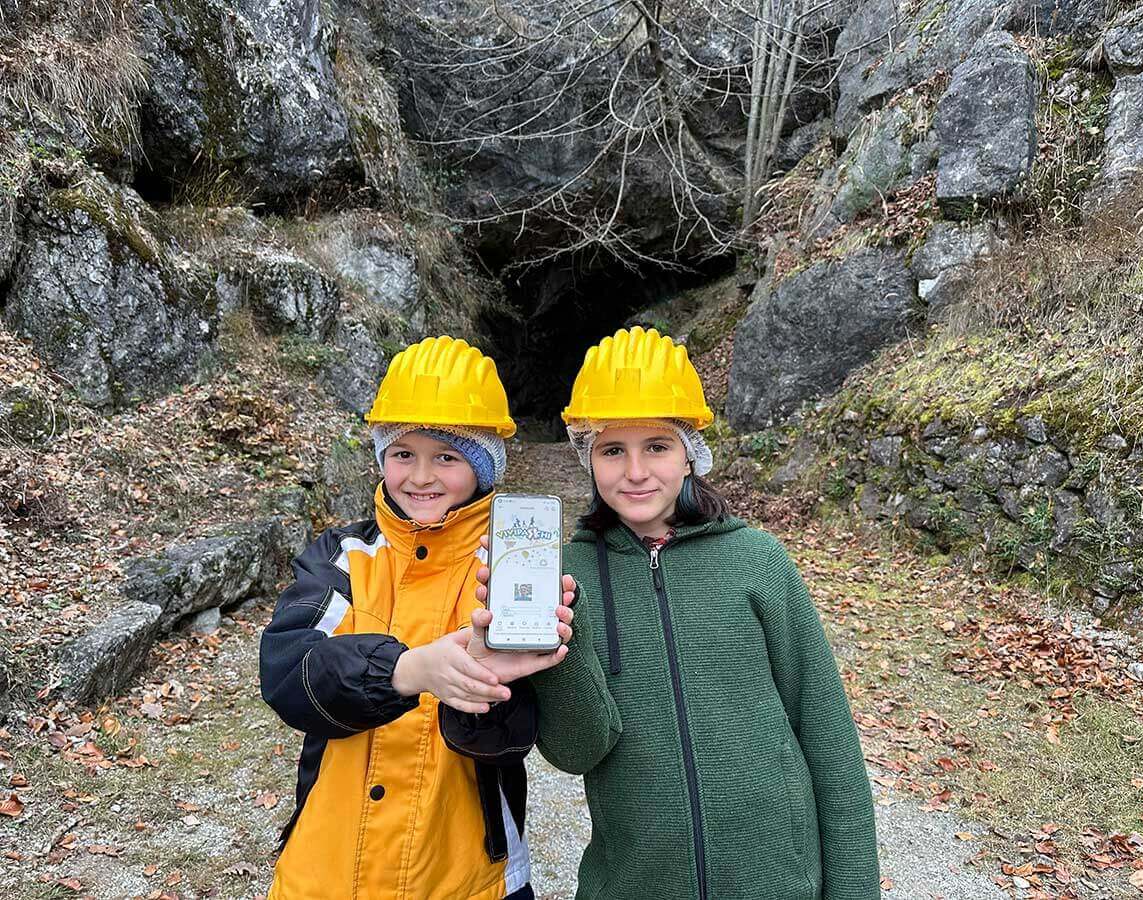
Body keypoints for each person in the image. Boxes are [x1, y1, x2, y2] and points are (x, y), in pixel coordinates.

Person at [477, 326, 880, 899]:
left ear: (690, 456)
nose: (635, 471)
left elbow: (827, 737)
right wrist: (565, 638)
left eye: (657, 447)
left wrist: (853, 889)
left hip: (778, 883)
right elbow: (575, 752)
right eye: (612, 449)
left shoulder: (757, 561)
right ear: (587, 461)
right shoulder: (563, 573)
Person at [259, 335, 575, 900]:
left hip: (467, 875)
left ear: (483, 468)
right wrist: (407, 672)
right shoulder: (343, 558)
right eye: (403, 453)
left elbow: (519, 738)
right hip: (327, 869)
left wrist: (490, 682)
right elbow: (288, 673)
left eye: (448, 457)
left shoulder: (507, 569)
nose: (421, 476)